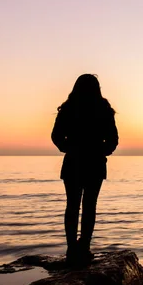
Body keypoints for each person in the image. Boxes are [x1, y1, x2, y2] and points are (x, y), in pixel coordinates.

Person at [51, 74, 119, 265]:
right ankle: (84, 246)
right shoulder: (103, 109)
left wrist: (68, 147)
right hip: (94, 163)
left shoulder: (68, 108)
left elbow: (56, 136)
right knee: (89, 206)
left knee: (73, 206)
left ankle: (73, 247)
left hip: (75, 161)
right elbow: (113, 139)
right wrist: (102, 151)